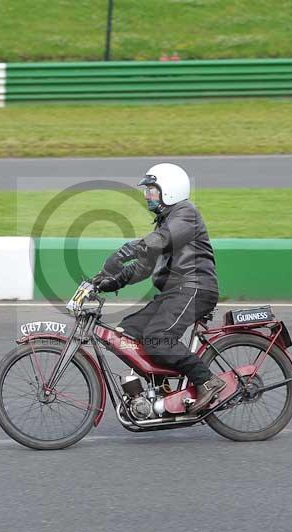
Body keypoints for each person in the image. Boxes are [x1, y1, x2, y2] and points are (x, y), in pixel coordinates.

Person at [94, 163, 224, 413]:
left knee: (158, 338)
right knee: (127, 331)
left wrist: (125, 250)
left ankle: (207, 381)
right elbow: (143, 267)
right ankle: (164, 392)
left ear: (170, 191)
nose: (147, 196)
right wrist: (107, 282)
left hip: (195, 287)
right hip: (174, 293)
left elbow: (160, 241)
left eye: (152, 190)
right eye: (147, 191)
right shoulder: (165, 222)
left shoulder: (186, 214)